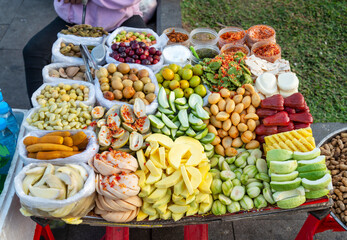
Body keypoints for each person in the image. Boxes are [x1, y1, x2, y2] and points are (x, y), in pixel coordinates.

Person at [23, 0, 146, 101]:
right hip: (73, 22)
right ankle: (38, 111)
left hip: (121, 20)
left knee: (143, 61)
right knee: (34, 51)